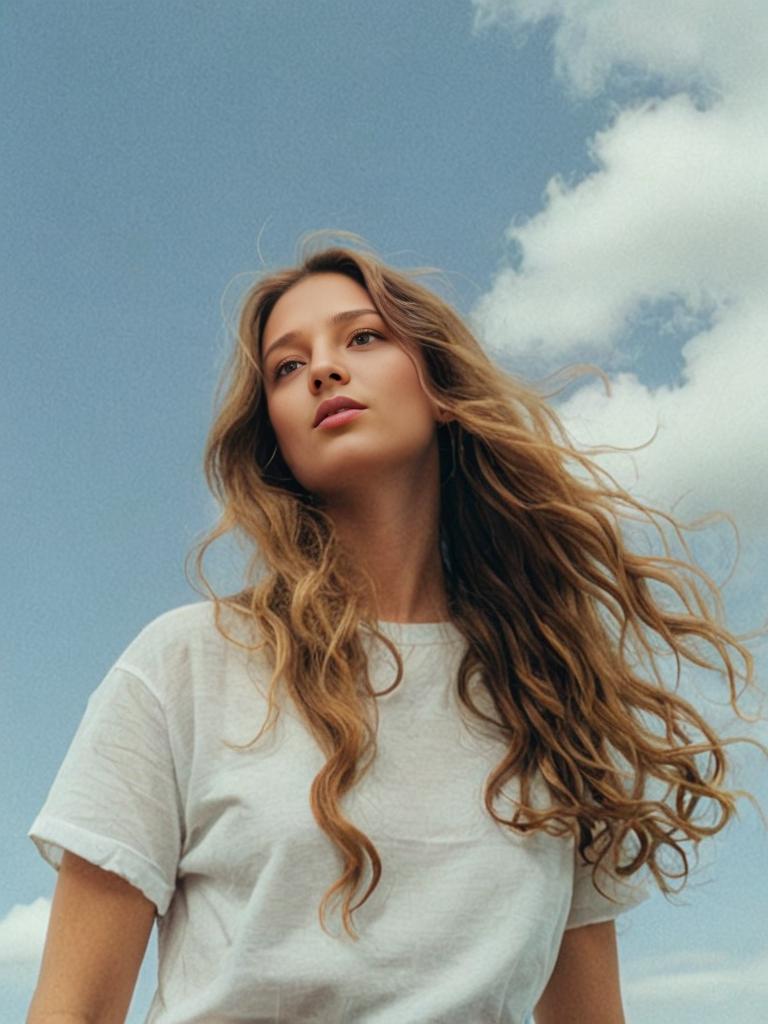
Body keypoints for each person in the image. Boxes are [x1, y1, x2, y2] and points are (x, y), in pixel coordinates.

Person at [27, 231, 766, 1023]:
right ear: (275, 439)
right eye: (286, 366)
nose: (323, 368)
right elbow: (73, 1009)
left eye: (363, 337)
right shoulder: (185, 667)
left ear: (440, 388)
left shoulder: (552, 701)